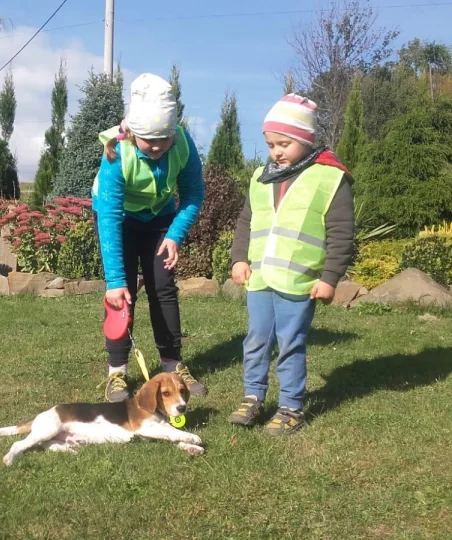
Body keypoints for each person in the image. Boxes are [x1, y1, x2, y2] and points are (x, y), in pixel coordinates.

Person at [227, 94, 355, 434]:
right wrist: (239, 258)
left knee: (289, 342)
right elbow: (245, 222)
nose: (276, 152)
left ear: (306, 139)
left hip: (299, 282)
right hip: (260, 278)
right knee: (255, 338)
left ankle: (291, 407)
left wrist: (330, 278)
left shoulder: (329, 178)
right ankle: (253, 397)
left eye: (284, 143)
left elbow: (342, 234)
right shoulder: (261, 177)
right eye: (271, 144)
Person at [91, 73, 206, 402]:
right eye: (148, 140)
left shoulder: (182, 144)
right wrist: (114, 280)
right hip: (119, 219)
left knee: (163, 289)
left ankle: (173, 365)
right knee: (121, 294)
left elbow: (194, 193)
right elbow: (110, 216)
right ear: (133, 132)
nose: (156, 147)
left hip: (160, 218)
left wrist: (175, 234)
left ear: (174, 132)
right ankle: (116, 372)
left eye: (163, 139)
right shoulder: (117, 151)